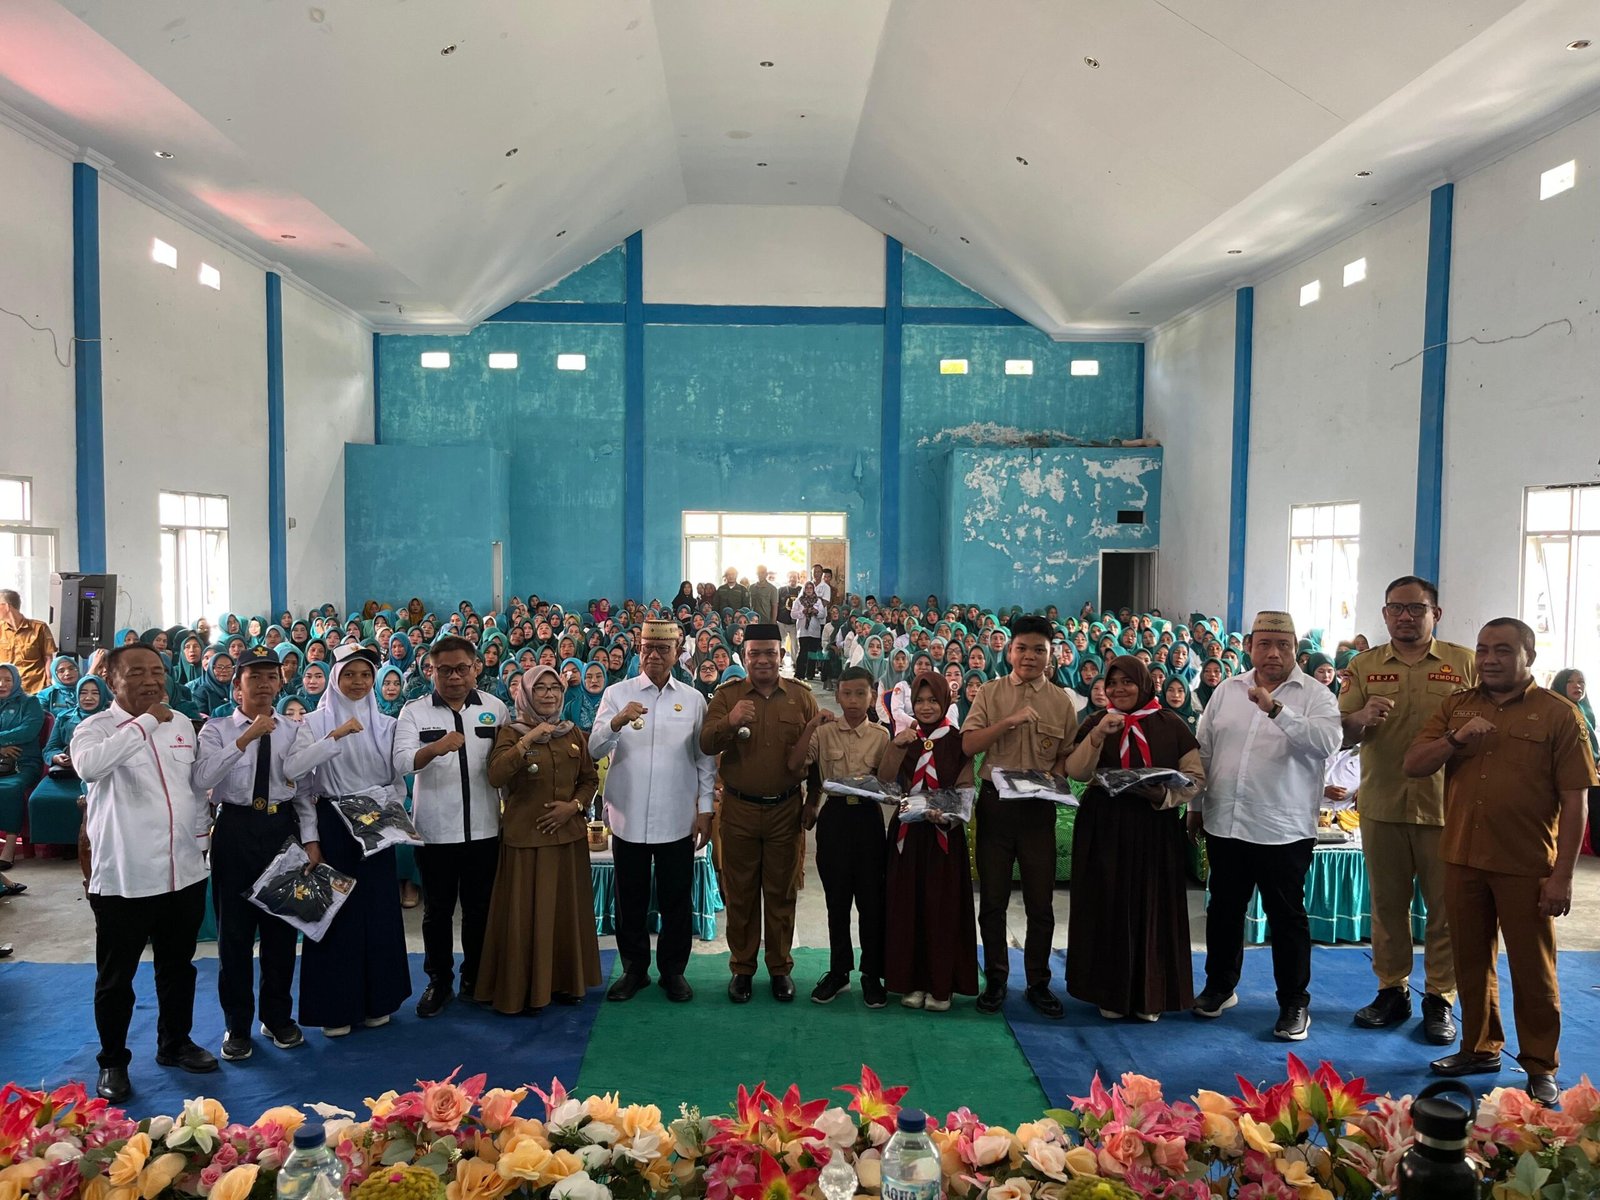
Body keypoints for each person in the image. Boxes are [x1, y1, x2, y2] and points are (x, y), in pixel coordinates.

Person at [1405, 618, 1597, 1106]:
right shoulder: (1457, 706)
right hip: (1462, 858)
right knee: (1470, 961)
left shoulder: (1558, 714)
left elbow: (1576, 803)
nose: (1490, 658)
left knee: (1533, 970)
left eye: (1504, 650)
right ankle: (1480, 1048)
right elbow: (1414, 763)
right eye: (1484, 649)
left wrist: (1563, 877)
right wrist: (1457, 739)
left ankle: (1539, 1063)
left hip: (1527, 865)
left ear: (1528, 656)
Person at [72, 644, 216, 1102]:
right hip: (125, 877)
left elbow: (193, 790)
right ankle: (113, 1061)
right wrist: (149, 719)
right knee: (117, 979)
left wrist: (201, 843)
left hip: (183, 872)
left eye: (158, 671)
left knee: (179, 968)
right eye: (137, 673)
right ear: (112, 680)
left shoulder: (182, 728)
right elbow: (91, 768)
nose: (152, 680)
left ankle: (175, 1043)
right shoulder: (93, 730)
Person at [1190, 611, 1342, 1040]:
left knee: (1286, 918)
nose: (1273, 653)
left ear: (1296, 648)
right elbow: (1205, 750)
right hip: (1226, 821)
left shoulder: (1316, 695)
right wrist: (1196, 806)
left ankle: (1294, 1003)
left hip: (1283, 828)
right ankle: (1220, 986)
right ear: (1250, 646)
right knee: (1223, 910)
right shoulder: (1227, 690)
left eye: (1283, 645)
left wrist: (1277, 710)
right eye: (1264, 644)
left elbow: (1327, 744)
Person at [1340, 576, 1475, 1044]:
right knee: (1387, 907)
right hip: (1383, 803)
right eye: (1396, 608)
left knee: (1446, 910)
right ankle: (1391, 991)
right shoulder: (1363, 665)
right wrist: (1359, 719)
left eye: (1416, 609)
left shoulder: (1464, 663)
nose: (1406, 617)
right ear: (1384, 614)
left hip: (1448, 807)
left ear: (1436, 613)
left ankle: (1440, 999)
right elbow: (1340, 733)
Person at [193, 646, 322, 1061]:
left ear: (280, 683)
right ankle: (237, 1025)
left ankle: (278, 1017)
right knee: (234, 935)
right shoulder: (215, 729)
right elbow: (204, 778)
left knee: (281, 931)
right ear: (237, 686)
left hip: (281, 829)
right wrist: (246, 737)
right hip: (235, 828)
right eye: (255, 678)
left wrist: (310, 839)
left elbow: (303, 791)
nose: (264, 685)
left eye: (271, 677)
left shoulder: (295, 729)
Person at [1063, 656, 1205, 1020]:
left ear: (1144, 685)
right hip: (1104, 824)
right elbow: (1076, 771)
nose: (1119, 689)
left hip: (1153, 825)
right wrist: (1097, 735)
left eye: (1128, 682)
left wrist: (1163, 796)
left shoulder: (1170, 723)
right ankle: (1109, 991)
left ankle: (1150, 994)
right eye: (1113, 683)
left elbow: (1195, 777)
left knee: (1152, 904)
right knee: (1107, 903)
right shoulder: (1096, 721)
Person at [283, 644, 411, 1036]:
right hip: (333, 824)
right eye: (349, 675)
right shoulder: (314, 723)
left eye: (365, 675)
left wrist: (386, 812)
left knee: (378, 913)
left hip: (374, 821)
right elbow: (296, 779)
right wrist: (311, 839)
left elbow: (398, 782)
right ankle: (336, 1008)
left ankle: (379, 1000)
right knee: (334, 914)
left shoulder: (387, 725)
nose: (357, 682)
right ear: (335, 678)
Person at [590, 619, 715, 1002]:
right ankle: (634, 970)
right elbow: (594, 749)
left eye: (663, 649)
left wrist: (706, 810)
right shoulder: (616, 693)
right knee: (630, 898)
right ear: (638, 650)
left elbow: (704, 761)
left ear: (677, 653)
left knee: (676, 897)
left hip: (677, 816)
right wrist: (615, 721)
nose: (655, 656)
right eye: (647, 648)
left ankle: (673, 972)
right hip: (627, 816)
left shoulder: (693, 700)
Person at [961, 615, 1078, 1018]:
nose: (1030, 656)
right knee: (992, 900)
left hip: (1037, 812)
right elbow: (969, 744)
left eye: (1039, 650)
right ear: (1009, 651)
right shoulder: (991, 694)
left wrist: (1055, 779)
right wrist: (1008, 721)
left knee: (1040, 904)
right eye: (1022, 648)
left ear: (1052, 654)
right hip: (995, 808)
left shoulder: (1062, 701)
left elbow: (1066, 755)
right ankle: (996, 980)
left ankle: (1038, 983)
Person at [701, 622, 819, 1003]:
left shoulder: (801, 698)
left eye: (771, 652)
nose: (764, 659)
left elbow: (818, 751)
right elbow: (705, 743)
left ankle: (780, 968)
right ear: (744, 657)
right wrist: (730, 721)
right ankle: (743, 969)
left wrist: (814, 799)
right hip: (739, 810)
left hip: (787, 809)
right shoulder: (727, 695)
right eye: (756, 653)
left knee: (782, 893)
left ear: (781, 656)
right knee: (741, 893)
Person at [393, 634, 508, 1017]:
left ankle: (476, 977)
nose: (454, 677)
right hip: (436, 832)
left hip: (485, 829)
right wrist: (435, 748)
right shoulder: (414, 712)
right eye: (445, 670)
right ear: (432, 670)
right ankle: (439, 981)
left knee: (479, 910)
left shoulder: (494, 708)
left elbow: (505, 766)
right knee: (437, 912)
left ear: (476, 668)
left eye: (462, 668)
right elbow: (402, 762)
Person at [478, 665, 602, 1013]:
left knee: (564, 914)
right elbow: (495, 774)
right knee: (526, 917)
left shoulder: (572, 732)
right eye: (541, 689)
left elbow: (589, 780)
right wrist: (528, 739)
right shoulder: (510, 731)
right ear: (526, 694)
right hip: (526, 841)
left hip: (567, 839)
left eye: (555, 689)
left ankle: (566, 983)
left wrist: (574, 806)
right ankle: (524, 990)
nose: (549, 695)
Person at [877, 672, 979, 1011]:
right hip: (909, 834)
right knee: (908, 907)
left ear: (945, 702)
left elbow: (965, 787)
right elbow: (886, 781)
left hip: (943, 837)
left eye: (932, 700)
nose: (925, 706)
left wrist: (949, 816)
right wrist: (896, 745)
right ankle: (912, 981)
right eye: (919, 701)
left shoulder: (957, 739)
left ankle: (941, 985)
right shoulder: (905, 738)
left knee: (941, 908)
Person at [790, 665, 890, 1007]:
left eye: (861, 693)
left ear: (872, 695)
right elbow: (798, 763)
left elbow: (888, 782)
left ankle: (872, 974)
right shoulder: (824, 732)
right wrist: (810, 726)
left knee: (871, 901)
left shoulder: (881, 736)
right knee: (836, 901)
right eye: (847, 693)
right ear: (837, 695)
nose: (853, 700)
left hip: (868, 819)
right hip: (834, 819)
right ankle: (838, 972)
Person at [0, 663, 45, 885]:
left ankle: (9, 846)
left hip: (23, 763)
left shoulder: (30, 702)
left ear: (16, 680)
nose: (2, 684)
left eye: (7, 679)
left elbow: (28, 730)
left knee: (9, 788)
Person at [1549, 668, 1599, 855]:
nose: (1578, 685)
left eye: (1581, 682)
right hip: (1562, 771)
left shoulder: (1585, 711)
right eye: (1571, 681)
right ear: (1561, 685)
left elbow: (1590, 743)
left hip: (1585, 769)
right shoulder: (1556, 709)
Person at [0, 589, 58, 694]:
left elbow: (48, 658)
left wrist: (49, 682)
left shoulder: (39, 628)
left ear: (7, 606)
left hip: (35, 690)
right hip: (5, 691)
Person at [791, 583, 826, 683]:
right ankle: (799, 673)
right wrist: (803, 611)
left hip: (814, 630)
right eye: (807, 588)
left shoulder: (818, 601)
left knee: (812, 652)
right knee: (803, 651)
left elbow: (823, 614)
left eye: (811, 588)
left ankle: (810, 674)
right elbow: (793, 614)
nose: (809, 590)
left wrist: (816, 612)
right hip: (803, 630)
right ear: (804, 589)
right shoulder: (799, 601)